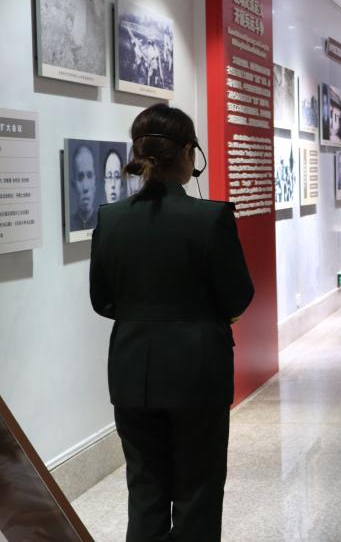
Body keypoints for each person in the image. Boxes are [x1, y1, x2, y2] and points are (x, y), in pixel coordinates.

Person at [89, 104, 254, 541]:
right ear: (186, 153)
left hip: (132, 372)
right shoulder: (211, 218)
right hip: (198, 372)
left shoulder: (110, 218)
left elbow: (102, 300)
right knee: (198, 491)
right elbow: (238, 296)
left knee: (145, 490)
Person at [70, 143, 97, 231]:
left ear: (95, 182)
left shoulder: (104, 222)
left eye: (89, 176)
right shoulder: (69, 225)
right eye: (80, 177)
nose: (85, 187)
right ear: (73, 184)